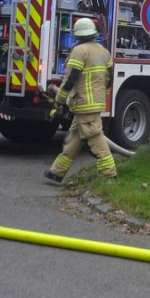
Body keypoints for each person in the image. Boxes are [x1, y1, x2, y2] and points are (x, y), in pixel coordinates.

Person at [44, 17, 117, 183]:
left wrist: (59, 100)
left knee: (94, 136)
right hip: (93, 102)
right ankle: (57, 172)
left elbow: (71, 79)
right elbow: (110, 79)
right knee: (73, 139)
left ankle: (109, 173)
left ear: (77, 35)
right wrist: (102, 96)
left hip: (84, 103)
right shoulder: (104, 51)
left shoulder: (79, 51)